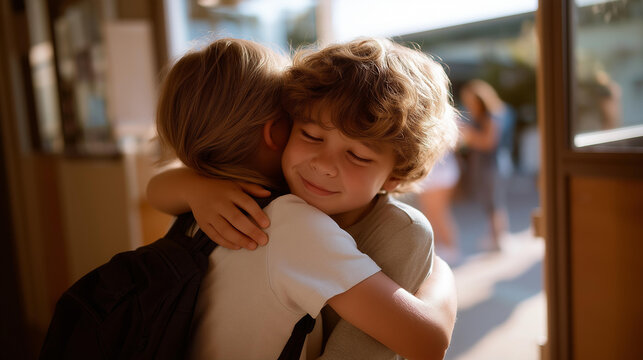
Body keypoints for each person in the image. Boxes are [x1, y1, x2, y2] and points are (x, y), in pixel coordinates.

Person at [149, 38, 459, 359]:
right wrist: (196, 187)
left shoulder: (398, 233)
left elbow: (420, 342)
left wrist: (440, 272)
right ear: (284, 129)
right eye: (310, 135)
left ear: (396, 175)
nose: (323, 165)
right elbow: (429, 341)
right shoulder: (283, 206)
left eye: (357, 155)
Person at [459, 79, 513, 251]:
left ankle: (498, 239)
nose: (469, 104)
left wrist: (469, 135)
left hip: (492, 165)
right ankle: (496, 236)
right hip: (486, 164)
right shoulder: (484, 115)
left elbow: (489, 142)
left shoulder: (492, 115)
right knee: (491, 203)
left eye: (471, 101)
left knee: (493, 203)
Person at [417, 151, 461, 264]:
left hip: (438, 172)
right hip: (437, 171)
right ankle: (443, 247)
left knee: (438, 212)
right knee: (430, 213)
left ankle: (450, 247)